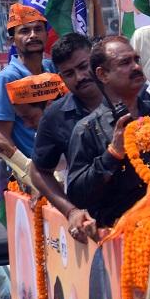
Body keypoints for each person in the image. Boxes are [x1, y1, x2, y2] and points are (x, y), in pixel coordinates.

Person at [67, 36, 150, 228]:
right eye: (125, 63)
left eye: (136, 60)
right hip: (116, 238)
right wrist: (112, 155)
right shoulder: (87, 129)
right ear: (102, 75)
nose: (136, 67)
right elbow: (78, 195)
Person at [30, 33, 101, 243]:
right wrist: (71, 211)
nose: (79, 77)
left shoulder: (127, 93)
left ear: (96, 60)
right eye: (69, 73)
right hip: (93, 226)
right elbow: (38, 171)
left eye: (83, 66)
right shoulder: (55, 117)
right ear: (61, 77)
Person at [0, 3, 56, 224]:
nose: (33, 35)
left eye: (38, 29)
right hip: (29, 180)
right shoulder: (6, 79)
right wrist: (28, 178)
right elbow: (3, 140)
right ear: (12, 40)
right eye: (24, 31)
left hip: (59, 173)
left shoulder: (53, 69)